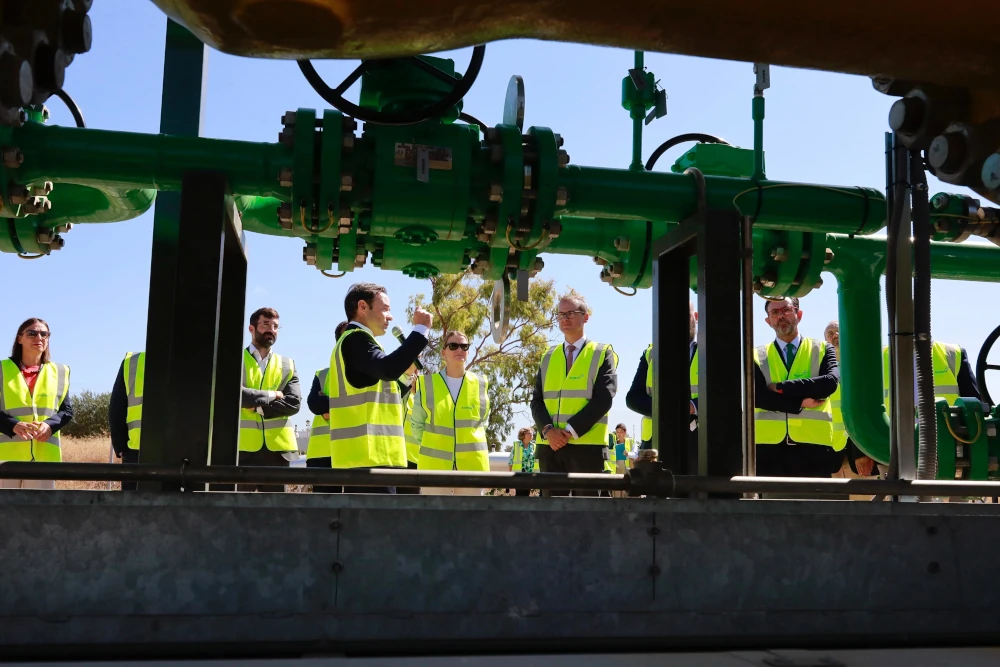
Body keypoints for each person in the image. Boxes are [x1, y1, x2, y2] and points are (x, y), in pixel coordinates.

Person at [327, 282, 430, 494]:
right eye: (385, 309)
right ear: (363, 307)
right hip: (366, 461)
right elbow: (388, 369)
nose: (390, 316)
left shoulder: (360, 342)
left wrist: (407, 375)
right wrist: (420, 330)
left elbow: (381, 391)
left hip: (371, 460)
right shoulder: (355, 339)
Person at [531, 293, 617, 497]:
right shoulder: (547, 356)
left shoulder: (602, 353)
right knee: (551, 516)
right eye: (560, 314)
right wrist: (548, 431)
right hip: (549, 447)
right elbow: (536, 401)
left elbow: (604, 399)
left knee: (587, 515)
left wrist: (569, 431)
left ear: (585, 317)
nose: (564, 318)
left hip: (586, 447)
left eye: (570, 313)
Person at [754, 297, 842, 478]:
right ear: (768, 321)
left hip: (814, 447)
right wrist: (799, 403)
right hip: (768, 450)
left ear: (799, 314)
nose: (781, 316)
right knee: (769, 505)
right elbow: (757, 396)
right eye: (775, 313)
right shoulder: (756, 355)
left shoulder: (823, 348)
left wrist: (779, 387)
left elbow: (829, 383)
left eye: (786, 310)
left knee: (815, 505)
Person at [408, 331, 489, 496]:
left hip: (473, 468)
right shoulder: (426, 384)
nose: (459, 349)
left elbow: (483, 422)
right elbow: (416, 426)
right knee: (435, 520)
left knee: (472, 520)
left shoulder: (481, 383)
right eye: (453, 345)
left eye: (464, 346)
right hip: (434, 468)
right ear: (443, 352)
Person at [0, 318, 73, 489]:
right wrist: (13, 424)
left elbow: (67, 410)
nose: (39, 337)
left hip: (44, 458)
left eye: (44, 334)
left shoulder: (60, 372)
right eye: (32, 333)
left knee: (40, 513)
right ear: (20, 339)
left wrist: (49, 426)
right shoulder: (2, 369)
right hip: (4, 458)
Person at [626, 302, 699, 470]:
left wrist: (693, 406)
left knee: (696, 494)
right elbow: (632, 398)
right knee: (658, 495)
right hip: (656, 444)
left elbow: (723, 396)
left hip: (698, 443)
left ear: (695, 317)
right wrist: (668, 409)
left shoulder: (710, 351)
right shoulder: (651, 353)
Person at [239, 307, 301, 492]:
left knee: (277, 512)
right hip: (242, 449)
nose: (271, 330)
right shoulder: (236, 359)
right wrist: (272, 395)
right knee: (237, 511)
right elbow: (235, 395)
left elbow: (294, 403)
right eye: (266, 324)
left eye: (275, 326)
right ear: (251, 328)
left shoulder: (287, 364)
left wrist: (258, 407)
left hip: (278, 452)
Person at [821, 321, 878, 482]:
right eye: (830, 334)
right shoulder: (821, 368)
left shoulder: (864, 365)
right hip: (830, 450)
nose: (835, 336)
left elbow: (867, 409)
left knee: (864, 501)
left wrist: (863, 450)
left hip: (859, 445)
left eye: (839, 331)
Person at [109, 351, 144, 491]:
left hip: (136, 451)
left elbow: (117, 408)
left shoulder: (133, 361)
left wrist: (121, 446)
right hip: (184, 453)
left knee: (134, 507)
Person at [509, 427, 538, 496]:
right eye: (529, 433)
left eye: (532, 434)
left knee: (526, 495)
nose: (531, 435)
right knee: (519, 495)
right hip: (518, 475)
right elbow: (511, 461)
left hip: (530, 475)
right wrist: (510, 476)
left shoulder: (534, 446)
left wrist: (536, 476)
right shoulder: (517, 445)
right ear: (523, 434)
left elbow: (536, 461)